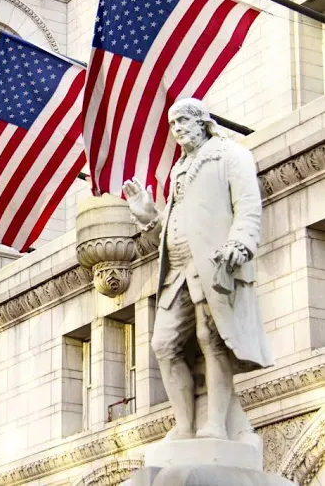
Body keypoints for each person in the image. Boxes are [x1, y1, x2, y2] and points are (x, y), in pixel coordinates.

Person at [122, 98, 273, 440]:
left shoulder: (231, 156)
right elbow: (181, 222)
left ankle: (216, 425)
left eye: (182, 122)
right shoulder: (179, 169)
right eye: (173, 124)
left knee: (212, 338)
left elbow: (248, 208)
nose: (177, 130)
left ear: (202, 122)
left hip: (213, 266)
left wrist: (240, 244)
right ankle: (185, 426)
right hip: (176, 271)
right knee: (164, 344)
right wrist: (151, 218)